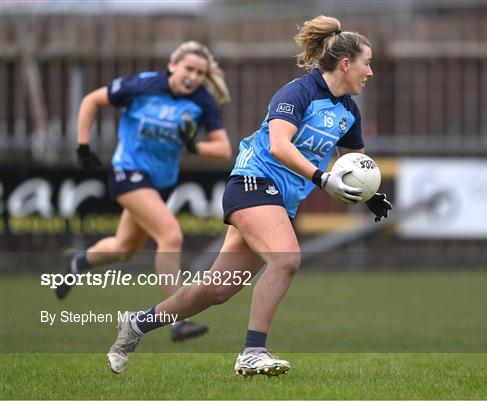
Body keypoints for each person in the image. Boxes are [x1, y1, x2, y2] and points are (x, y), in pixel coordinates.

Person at [106, 16, 392, 375]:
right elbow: (278, 146)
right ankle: (253, 351)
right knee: (286, 259)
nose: (370, 72)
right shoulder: (298, 93)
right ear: (347, 64)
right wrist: (322, 178)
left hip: (277, 201)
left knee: (215, 290)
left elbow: (353, 164)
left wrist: (369, 195)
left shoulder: (348, 111)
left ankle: (136, 324)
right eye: (368, 63)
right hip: (252, 183)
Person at [55, 41, 233, 342]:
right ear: (173, 65)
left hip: (161, 182)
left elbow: (224, 149)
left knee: (125, 249)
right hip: (128, 172)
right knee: (170, 234)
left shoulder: (202, 101)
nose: (193, 77)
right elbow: (90, 101)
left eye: (200, 73)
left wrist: (195, 146)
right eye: (189, 69)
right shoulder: (142, 85)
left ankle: (77, 262)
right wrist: (82, 145)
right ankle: (177, 319)